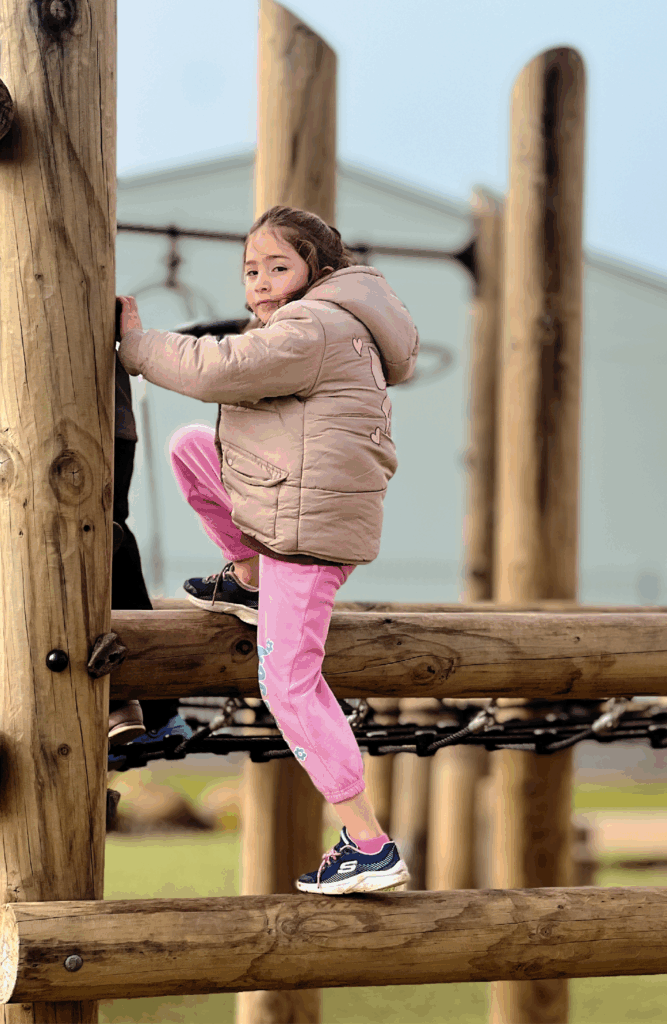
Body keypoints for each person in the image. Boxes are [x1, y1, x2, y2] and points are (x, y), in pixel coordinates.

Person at [117, 205, 418, 896]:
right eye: (251, 270)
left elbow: (221, 370)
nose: (259, 282)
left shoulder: (313, 325)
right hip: (289, 520)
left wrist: (137, 346)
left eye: (277, 267)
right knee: (193, 448)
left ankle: (368, 843)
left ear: (320, 270)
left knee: (288, 684)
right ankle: (247, 578)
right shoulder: (324, 324)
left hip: (305, 538)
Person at [109, 303, 193, 750]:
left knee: (103, 541)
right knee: (109, 539)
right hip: (101, 423)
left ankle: (142, 705)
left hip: (85, 425)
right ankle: (152, 709)